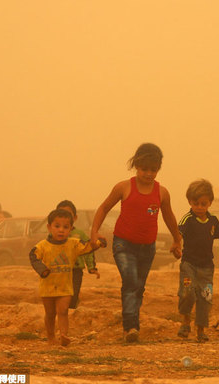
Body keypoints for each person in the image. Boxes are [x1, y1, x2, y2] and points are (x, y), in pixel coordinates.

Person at [90, 143, 182, 343]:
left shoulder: (162, 193)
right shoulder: (123, 187)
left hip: (148, 247)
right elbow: (104, 208)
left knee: (138, 287)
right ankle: (131, 327)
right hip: (123, 244)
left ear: (158, 169)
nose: (148, 174)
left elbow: (169, 217)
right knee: (131, 282)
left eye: (153, 170)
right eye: (144, 169)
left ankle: (131, 324)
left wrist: (177, 239)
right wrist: (94, 232)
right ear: (136, 166)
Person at [29, 209, 103, 346]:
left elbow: (87, 247)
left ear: (71, 229)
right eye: (57, 226)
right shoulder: (42, 246)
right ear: (49, 227)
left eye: (65, 227)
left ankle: (64, 336)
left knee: (63, 311)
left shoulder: (73, 244)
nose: (61, 230)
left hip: (65, 287)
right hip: (48, 287)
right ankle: (51, 337)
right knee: (50, 314)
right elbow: (33, 257)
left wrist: (99, 243)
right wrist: (42, 270)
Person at [171, 179, 219, 343]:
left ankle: (201, 330)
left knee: (205, 298)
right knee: (187, 292)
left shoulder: (213, 221)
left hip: (206, 268)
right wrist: (176, 245)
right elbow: (179, 234)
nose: (199, 207)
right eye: (195, 203)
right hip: (188, 265)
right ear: (190, 202)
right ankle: (185, 322)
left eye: (203, 203)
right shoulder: (187, 219)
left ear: (210, 203)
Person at [55, 200, 100, 309]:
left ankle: (70, 314)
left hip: (76, 270)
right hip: (58, 270)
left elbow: (89, 250)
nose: (64, 217)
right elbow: (46, 250)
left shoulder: (80, 234)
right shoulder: (53, 235)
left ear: (75, 218)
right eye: (61, 214)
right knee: (59, 295)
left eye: (68, 214)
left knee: (73, 295)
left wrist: (92, 267)